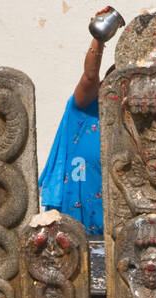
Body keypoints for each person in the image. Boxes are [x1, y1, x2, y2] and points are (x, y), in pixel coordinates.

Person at [38, 22, 109, 236]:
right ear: (103, 85)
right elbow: (89, 76)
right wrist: (99, 38)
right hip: (74, 213)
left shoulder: (130, 123)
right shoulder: (84, 107)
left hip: (111, 219)